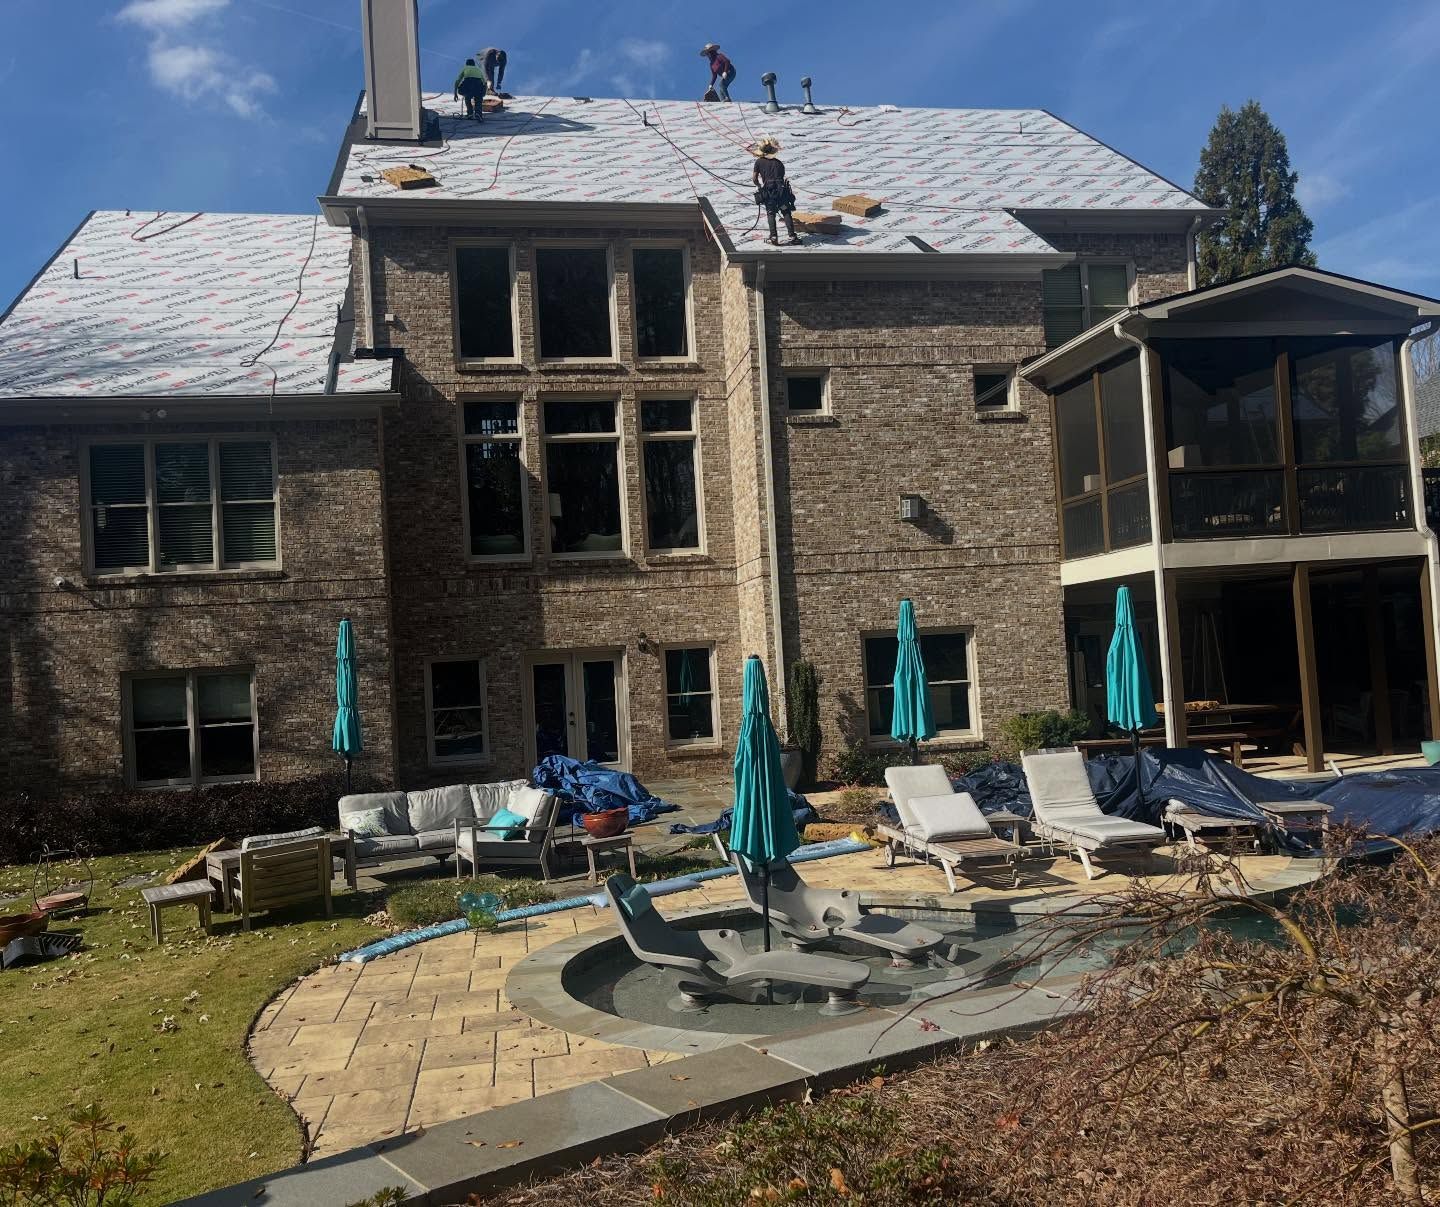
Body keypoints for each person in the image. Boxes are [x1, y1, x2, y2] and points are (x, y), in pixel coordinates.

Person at [752, 137, 800, 245]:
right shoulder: (779, 163)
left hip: (769, 191)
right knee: (785, 211)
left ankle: (773, 237)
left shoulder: (759, 162)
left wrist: (759, 186)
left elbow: (755, 179)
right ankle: (792, 237)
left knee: (771, 213)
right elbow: (781, 177)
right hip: (781, 191)